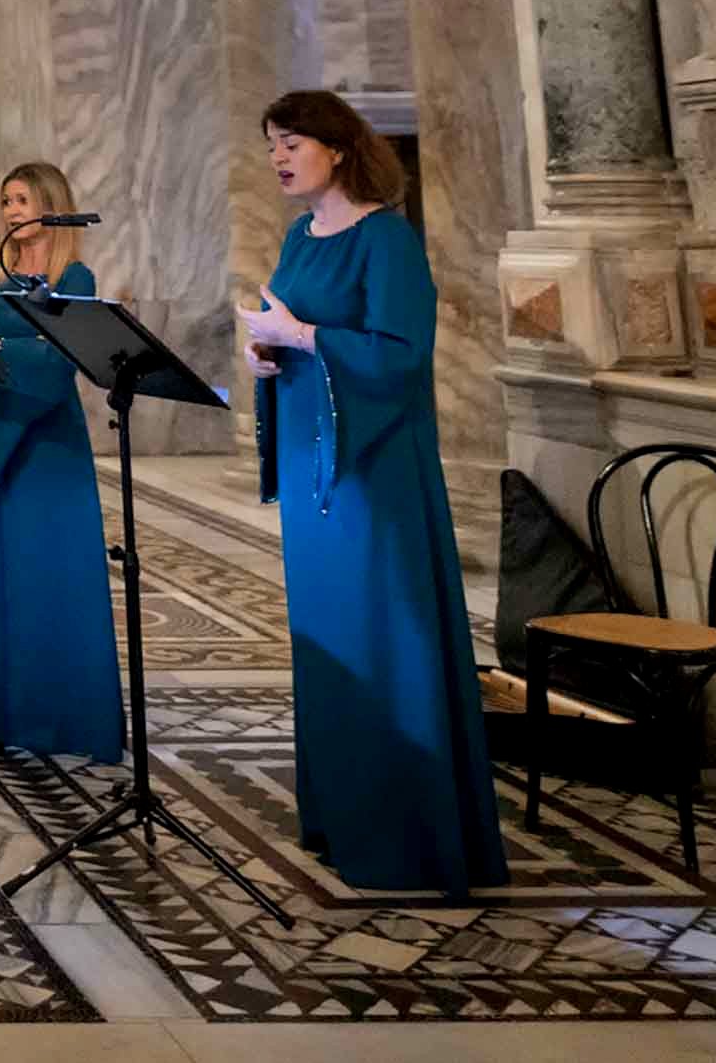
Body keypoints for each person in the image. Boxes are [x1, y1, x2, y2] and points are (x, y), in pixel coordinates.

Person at [238, 88, 509, 897]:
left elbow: (398, 355)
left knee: (382, 638)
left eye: (290, 142)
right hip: (310, 464)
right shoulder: (298, 236)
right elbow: (287, 327)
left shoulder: (384, 239)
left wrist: (306, 337)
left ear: (336, 147)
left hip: (371, 472)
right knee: (330, 644)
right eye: (272, 144)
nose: (279, 157)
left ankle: (407, 838)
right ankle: (342, 816)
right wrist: (265, 356)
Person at [0, 161, 123, 759]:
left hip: (49, 443)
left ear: (51, 204)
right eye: (5, 202)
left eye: (22, 199)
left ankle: (58, 718)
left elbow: (63, 356)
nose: (12, 211)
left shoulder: (74, 273)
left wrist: (5, 350)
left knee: (49, 573)